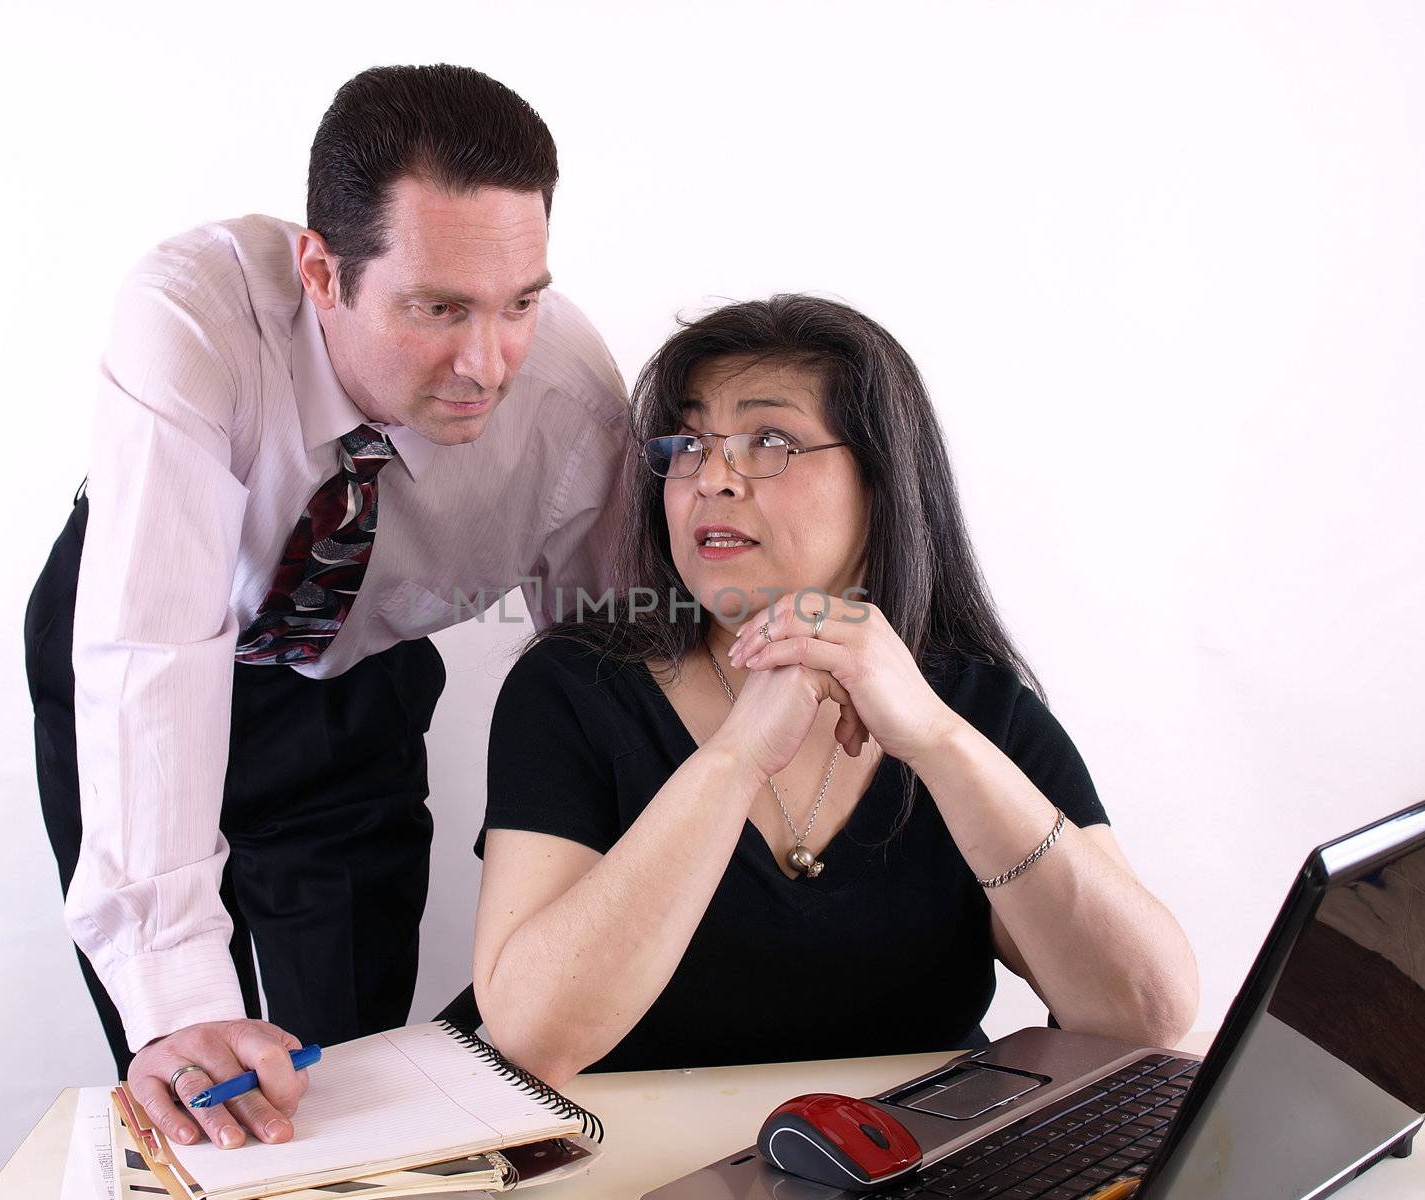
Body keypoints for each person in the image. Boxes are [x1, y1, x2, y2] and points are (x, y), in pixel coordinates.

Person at [23, 64, 628, 1149]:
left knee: (338, 1073)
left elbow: (613, 670)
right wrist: (181, 1008)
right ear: (320, 268)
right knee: (192, 1074)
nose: (485, 364)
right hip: (139, 645)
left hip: (355, 674)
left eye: (520, 303)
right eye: (437, 308)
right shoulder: (193, 314)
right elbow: (151, 652)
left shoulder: (571, 398)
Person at [471, 295, 1199, 1086]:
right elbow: (530, 1036)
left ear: (882, 480)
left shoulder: (976, 708)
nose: (711, 478)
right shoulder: (575, 687)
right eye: (689, 443)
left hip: (898, 1167)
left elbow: (1146, 1012)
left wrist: (936, 739)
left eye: (769, 441)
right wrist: (737, 757)